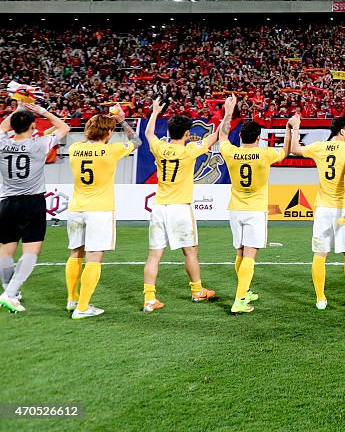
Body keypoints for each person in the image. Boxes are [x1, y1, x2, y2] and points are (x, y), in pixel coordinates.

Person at [140, 98, 218, 313]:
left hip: (159, 206)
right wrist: (225, 115)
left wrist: (155, 112)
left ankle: (149, 299)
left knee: (154, 255)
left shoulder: (160, 147)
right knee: (190, 251)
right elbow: (214, 137)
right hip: (180, 208)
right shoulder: (190, 150)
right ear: (186, 134)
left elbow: (148, 134)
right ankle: (197, 291)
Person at [65, 105, 141, 319]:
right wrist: (123, 121)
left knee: (75, 253)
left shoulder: (74, 148)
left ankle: (72, 299)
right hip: (100, 210)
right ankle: (82, 307)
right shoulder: (112, 149)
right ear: (108, 133)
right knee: (94, 258)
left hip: (76, 208)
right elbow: (137, 141)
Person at [218, 95, 291, 314]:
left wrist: (228, 112)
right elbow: (286, 151)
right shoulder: (265, 153)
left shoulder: (231, 152)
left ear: (240, 136)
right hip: (255, 210)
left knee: (240, 252)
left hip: (235, 208)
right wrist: (289, 129)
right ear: (259, 138)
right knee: (250, 253)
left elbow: (222, 134)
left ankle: (244, 290)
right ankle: (240, 300)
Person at [0, 103, 70, 313]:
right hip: (31, 202)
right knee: (31, 250)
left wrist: (18, 108)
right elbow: (64, 127)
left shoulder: (2, 143)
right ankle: (10, 294)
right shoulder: (39, 144)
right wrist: (42, 111)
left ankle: (9, 290)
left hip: (6, 202)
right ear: (33, 125)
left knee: (5, 251)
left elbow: (4, 127)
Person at [290, 114, 345, 310]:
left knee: (320, 253)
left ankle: (321, 299)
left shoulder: (319, 146)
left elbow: (294, 149)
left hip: (323, 208)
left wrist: (295, 127)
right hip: (341, 208)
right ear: (342, 131)